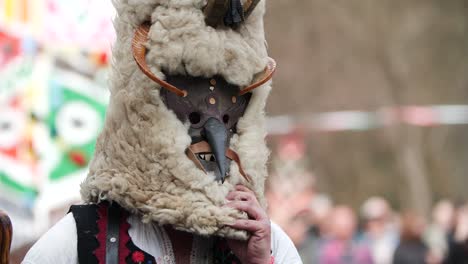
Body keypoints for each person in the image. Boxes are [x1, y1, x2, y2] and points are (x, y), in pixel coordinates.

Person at [22, 0, 302, 263]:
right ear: (145, 105)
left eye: (228, 112)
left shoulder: (270, 244)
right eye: (192, 111)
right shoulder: (77, 242)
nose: (213, 135)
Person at [360, 197, 399, 264]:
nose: (375, 223)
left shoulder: (396, 239)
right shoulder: (361, 241)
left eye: (378, 219)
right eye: (371, 220)